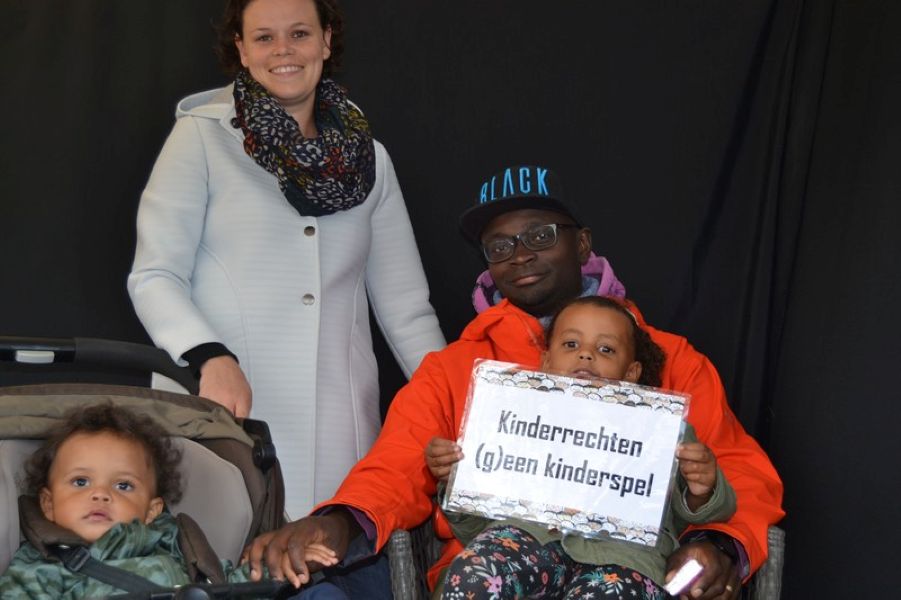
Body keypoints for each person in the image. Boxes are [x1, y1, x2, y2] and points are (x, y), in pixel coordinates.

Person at [242, 165, 785, 600]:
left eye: (539, 236)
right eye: (499, 246)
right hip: (503, 566)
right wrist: (340, 520)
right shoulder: (457, 368)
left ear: (582, 244)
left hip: (626, 569)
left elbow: (739, 471)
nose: (520, 254)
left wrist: (718, 545)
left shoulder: (670, 359)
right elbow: (395, 468)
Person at [127, 0, 446, 522]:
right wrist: (210, 357)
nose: (283, 50)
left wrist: (457, 410)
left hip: (340, 435)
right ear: (241, 49)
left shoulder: (371, 159)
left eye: (299, 33)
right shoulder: (200, 137)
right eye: (264, 37)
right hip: (225, 411)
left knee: (327, 561)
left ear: (325, 41)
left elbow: (407, 312)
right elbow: (155, 275)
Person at [427, 295, 736, 598]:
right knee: (473, 576)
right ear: (546, 362)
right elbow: (474, 529)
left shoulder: (663, 428)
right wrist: (457, 478)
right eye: (571, 344)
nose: (586, 355)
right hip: (527, 540)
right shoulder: (513, 418)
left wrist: (702, 490)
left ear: (631, 373)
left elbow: (701, 512)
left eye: (605, 349)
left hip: (626, 559)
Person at [0, 403, 344, 599]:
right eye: (80, 482)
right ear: (48, 504)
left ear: (152, 510)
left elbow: (228, 583)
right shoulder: (42, 566)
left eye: (123, 485)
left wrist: (279, 565)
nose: (100, 493)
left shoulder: (177, 546)